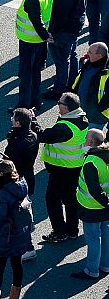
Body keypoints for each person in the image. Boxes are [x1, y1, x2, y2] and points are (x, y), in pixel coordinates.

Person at [38, 92, 89, 242]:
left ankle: (59, 232)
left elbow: (44, 136)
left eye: (59, 103)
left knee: (52, 199)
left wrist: (33, 123)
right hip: (75, 165)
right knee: (70, 198)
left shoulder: (65, 127)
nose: (57, 105)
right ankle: (73, 230)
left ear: (66, 108)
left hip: (62, 168)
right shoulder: (81, 118)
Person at [44, 0, 87, 100]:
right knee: (72, 54)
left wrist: (51, 33)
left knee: (61, 61)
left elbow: (60, 15)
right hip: (74, 28)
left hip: (63, 31)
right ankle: (72, 83)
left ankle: (59, 90)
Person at [0, 160, 31, 299]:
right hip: (20, 231)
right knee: (17, 264)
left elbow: (1, 215)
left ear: (1, 173)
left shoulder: (3, 193)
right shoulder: (22, 185)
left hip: (6, 234)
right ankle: (15, 295)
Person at [12, 0, 51, 110]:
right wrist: (45, 36)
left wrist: (45, 35)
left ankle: (23, 106)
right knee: (35, 73)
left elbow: (36, 19)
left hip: (30, 40)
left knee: (25, 75)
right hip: (39, 41)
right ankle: (36, 101)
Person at [73, 129, 109, 280]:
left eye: (86, 137)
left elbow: (94, 190)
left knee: (94, 238)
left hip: (92, 207)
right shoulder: (105, 157)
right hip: (104, 207)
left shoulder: (91, 163)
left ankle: (92, 270)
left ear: (90, 142)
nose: (85, 139)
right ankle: (105, 265)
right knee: (106, 235)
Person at [69, 43, 109, 128]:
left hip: (96, 117)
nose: (87, 53)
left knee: (91, 139)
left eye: (90, 52)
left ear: (99, 56)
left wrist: (99, 109)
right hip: (82, 111)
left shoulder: (106, 72)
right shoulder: (89, 62)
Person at [5, 108, 40, 199]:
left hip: (16, 180)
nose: (11, 119)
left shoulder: (17, 142)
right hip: (29, 177)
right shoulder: (34, 136)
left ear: (17, 123)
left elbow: (7, 160)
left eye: (13, 118)